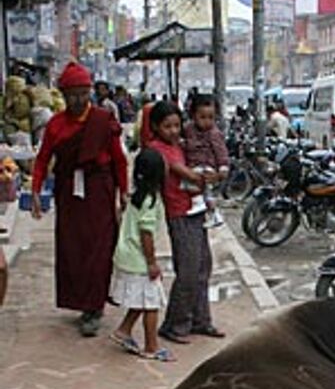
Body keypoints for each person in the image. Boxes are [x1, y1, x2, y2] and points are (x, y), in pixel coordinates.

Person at [31, 61, 128, 337]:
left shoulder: (102, 120)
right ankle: (80, 301)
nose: (77, 100)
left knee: (99, 246)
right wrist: (37, 191)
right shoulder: (56, 124)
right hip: (69, 193)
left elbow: (119, 159)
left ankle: (94, 307)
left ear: (90, 92)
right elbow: (42, 160)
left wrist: (124, 191)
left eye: (82, 93)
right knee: (73, 247)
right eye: (71, 94)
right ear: (62, 95)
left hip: (99, 189)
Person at [147, 100, 224, 345]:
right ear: (156, 127)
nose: (173, 130)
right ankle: (174, 324)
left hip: (196, 209)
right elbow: (184, 172)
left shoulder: (180, 145)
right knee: (189, 270)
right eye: (167, 126)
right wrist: (209, 176)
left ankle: (200, 320)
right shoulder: (157, 148)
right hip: (179, 213)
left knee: (203, 267)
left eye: (177, 125)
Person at [109, 148, 174, 362]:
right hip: (139, 260)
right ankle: (151, 346)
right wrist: (152, 262)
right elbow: (146, 234)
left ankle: (124, 330)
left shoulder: (136, 197)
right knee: (152, 303)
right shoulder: (151, 201)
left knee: (140, 298)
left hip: (126, 256)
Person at [183, 92, 229, 229]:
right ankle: (213, 214)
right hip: (193, 164)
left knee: (196, 186)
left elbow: (221, 152)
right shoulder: (188, 129)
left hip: (206, 166)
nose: (207, 121)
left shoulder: (214, 134)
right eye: (202, 117)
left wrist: (222, 169)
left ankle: (204, 207)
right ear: (193, 115)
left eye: (211, 118)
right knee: (205, 193)